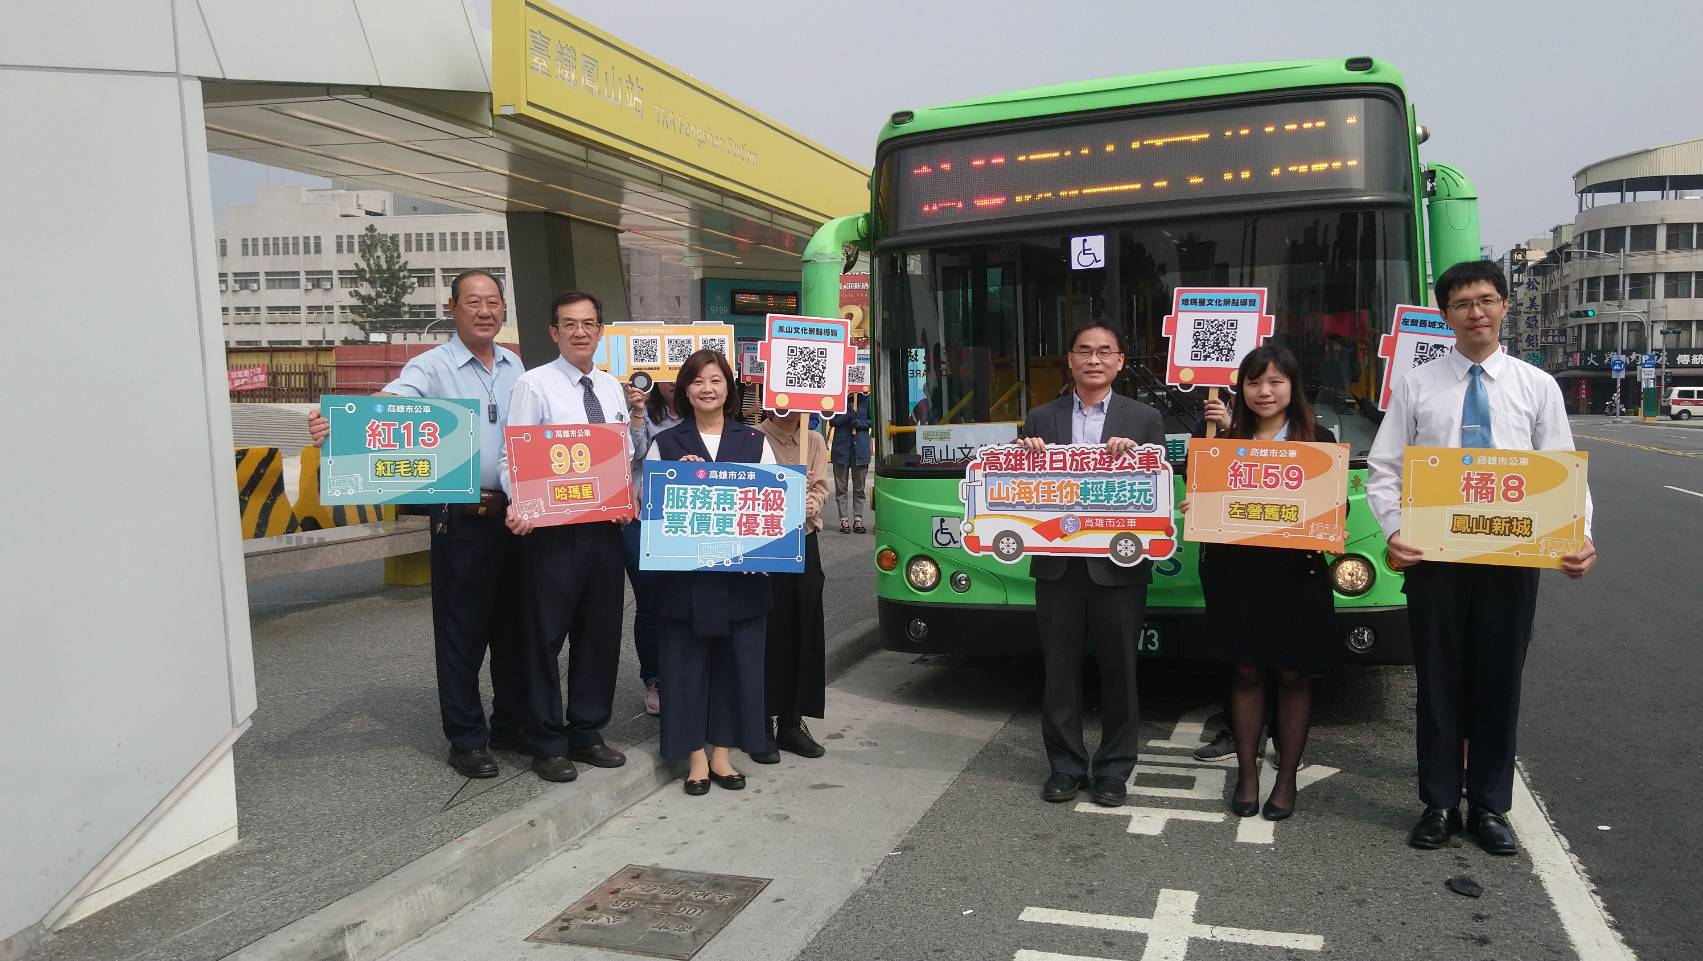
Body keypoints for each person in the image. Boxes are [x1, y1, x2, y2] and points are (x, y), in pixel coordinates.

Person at [1368, 259, 1597, 855]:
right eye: (1463, 304)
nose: (1477, 313)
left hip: (1510, 559)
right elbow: (1385, 469)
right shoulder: (1417, 385)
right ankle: (1440, 803)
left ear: (1503, 307)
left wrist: (1578, 536)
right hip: (1436, 560)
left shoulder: (1536, 386)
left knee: (1499, 681)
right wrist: (1395, 530)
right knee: (1438, 681)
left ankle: (1490, 806)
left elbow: (1562, 472)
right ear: (1446, 315)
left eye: (1487, 300)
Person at [306, 270, 525, 780]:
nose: (485, 311)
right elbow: (393, 404)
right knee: (461, 633)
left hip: (515, 517)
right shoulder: (431, 366)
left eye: (493, 302)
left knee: (514, 630)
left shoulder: (516, 365)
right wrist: (341, 423)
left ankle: (510, 724)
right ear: (453, 309)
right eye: (473, 302)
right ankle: (467, 739)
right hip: (461, 517)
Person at [1183, 345, 1340, 821]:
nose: (1264, 392)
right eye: (1254, 382)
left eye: (1275, 381)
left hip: (1298, 575)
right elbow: (1200, 499)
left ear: (1293, 386)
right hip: (1236, 573)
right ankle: (1247, 774)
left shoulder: (1319, 439)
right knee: (1246, 672)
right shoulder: (1220, 440)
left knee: (1293, 675)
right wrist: (1196, 505)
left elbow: (1332, 506)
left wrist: (1333, 520)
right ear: (1241, 389)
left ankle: (1286, 779)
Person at [501, 291, 647, 783]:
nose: (580, 332)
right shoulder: (534, 384)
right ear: (554, 332)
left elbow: (620, 456)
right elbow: (513, 457)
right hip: (552, 534)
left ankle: (587, 731)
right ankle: (546, 740)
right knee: (544, 637)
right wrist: (520, 502)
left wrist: (625, 496)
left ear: (600, 330)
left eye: (588, 323)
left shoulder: (610, 388)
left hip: (604, 531)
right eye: (569, 324)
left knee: (599, 633)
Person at [1019, 324, 1165, 807]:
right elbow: (1022, 492)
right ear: (1070, 359)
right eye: (1084, 351)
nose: (1094, 360)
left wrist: (1137, 458)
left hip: (1119, 567)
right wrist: (1026, 458)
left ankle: (1114, 770)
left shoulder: (1143, 419)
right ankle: (1064, 766)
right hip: (1058, 567)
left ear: (1120, 361)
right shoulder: (1041, 417)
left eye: (1105, 352)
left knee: (1120, 671)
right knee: (1059, 671)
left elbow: (1159, 486)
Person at [646, 350, 776, 795]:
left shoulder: (754, 441)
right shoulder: (666, 443)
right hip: (685, 581)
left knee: (736, 667)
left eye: (716, 380)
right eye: (698, 380)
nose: (707, 388)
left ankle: (722, 754)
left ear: (729, 388)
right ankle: (695, 759)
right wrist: (673, 479)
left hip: (742, 579)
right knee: (684, 668)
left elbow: (775, 507)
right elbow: (650, 509)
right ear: (685, 390)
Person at [750, 409, 831, 763]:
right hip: (763, 544)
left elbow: (821, 488)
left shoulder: (814, 440)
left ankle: (792, 721)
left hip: (804, 540)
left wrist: (811, 500)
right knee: (766, 630)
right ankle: (759, 721)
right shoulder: (751, 439)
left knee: (803, 626)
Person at [623, 382, 682, 716]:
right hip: (641, 519)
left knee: (685, 598)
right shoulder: (645, 411)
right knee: (649, 602)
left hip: (685, 521)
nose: (673, 379)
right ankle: (655, 679)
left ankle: (685, 675)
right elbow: (632, 454)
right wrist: (637, 413)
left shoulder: (701, 414)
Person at [829, 393, 872, 533]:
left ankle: (858, 519)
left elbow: (874, 421)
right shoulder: (839, 397)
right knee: (841, 488)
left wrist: (861, 423)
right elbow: (832, 421)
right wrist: (848, 416)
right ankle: (844, 520)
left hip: (861, 450)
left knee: (859, 488)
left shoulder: (867, 399)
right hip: (841, 449)